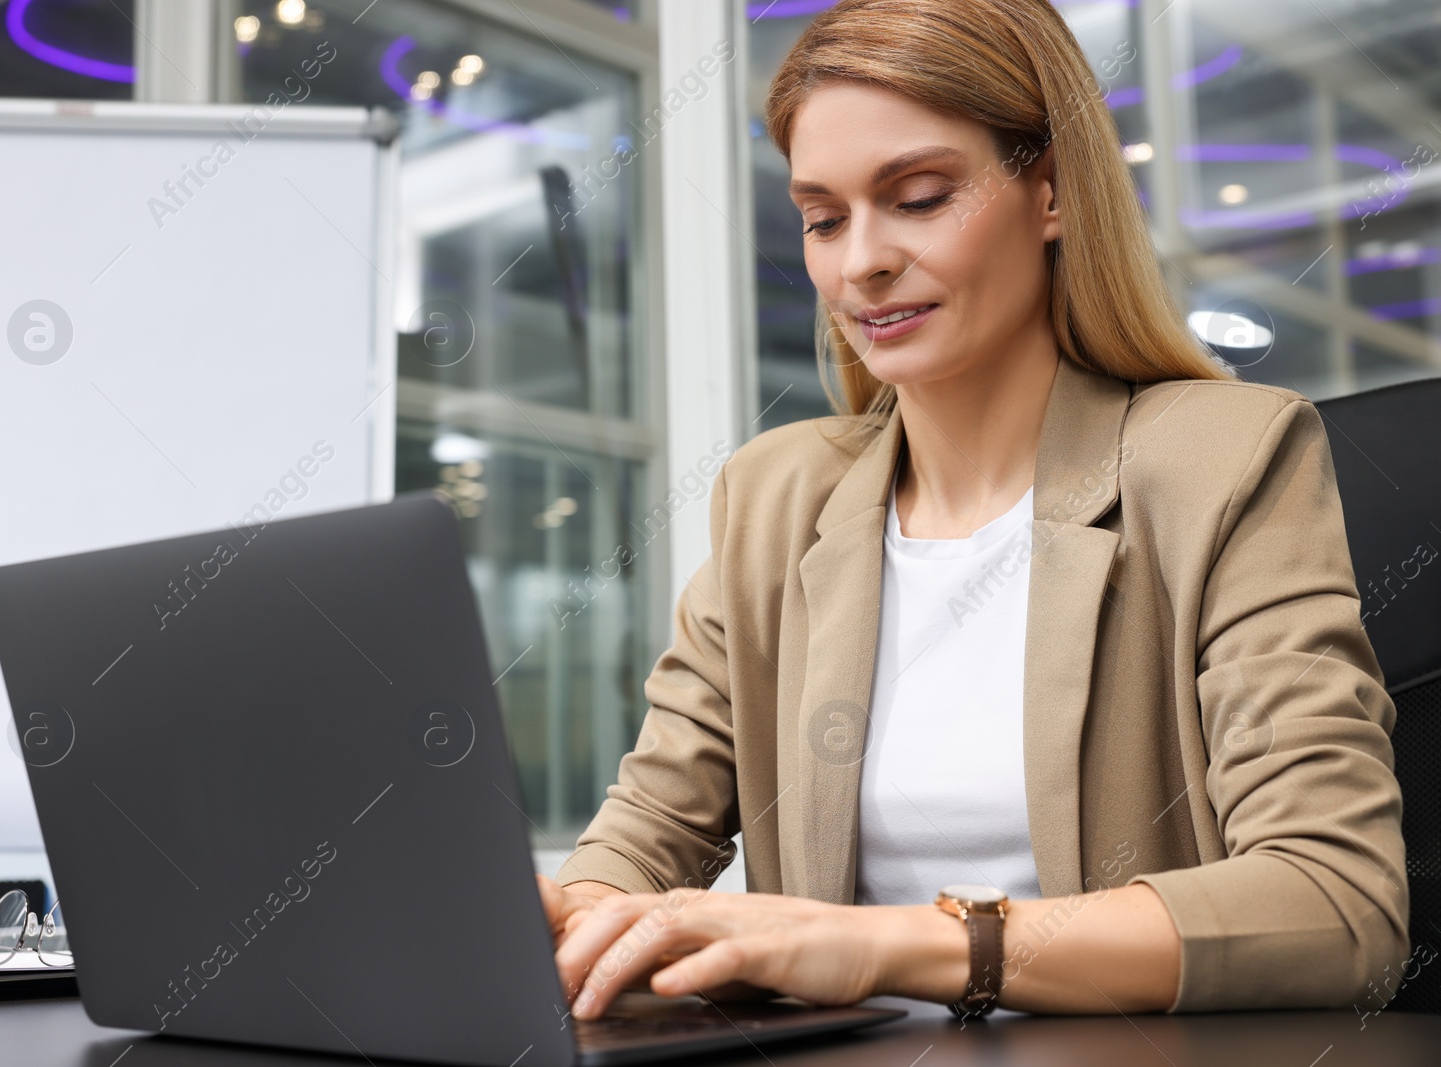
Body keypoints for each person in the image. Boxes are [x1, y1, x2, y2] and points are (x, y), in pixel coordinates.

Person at [539, 0, 1408, 1022]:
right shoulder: (774, 497)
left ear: (1048, 190)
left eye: (916, 197)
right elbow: (643, 831)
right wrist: (583, 912)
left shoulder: (1223, 460)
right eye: (822, 218)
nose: (858, 260)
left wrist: (879, 943)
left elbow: (1336, 903)